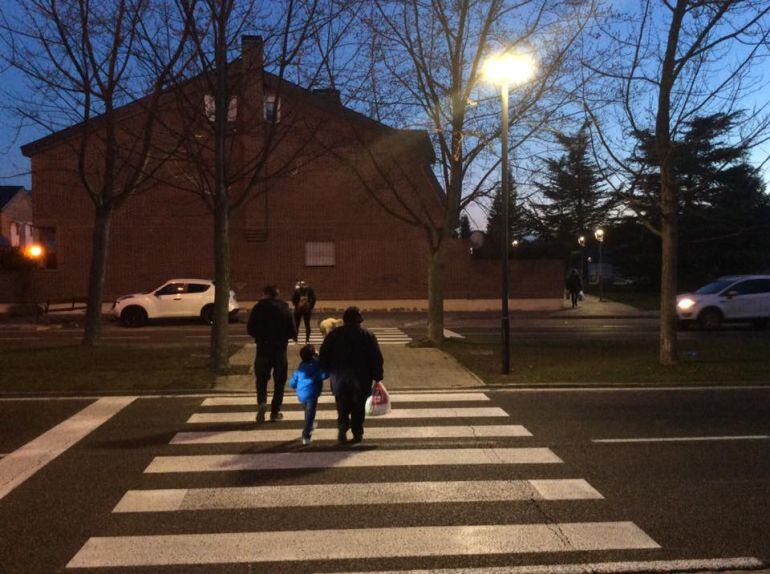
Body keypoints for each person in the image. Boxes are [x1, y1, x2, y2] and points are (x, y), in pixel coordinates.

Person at [319, 306, 383, 444]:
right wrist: (377, 376)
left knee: (342, 403)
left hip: (339, 375)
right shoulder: (368, 336)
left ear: (344, 320)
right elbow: (376, 357)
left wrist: (326, 369)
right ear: (359, 321)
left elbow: (324, 354)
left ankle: (343, 425)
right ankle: (357, 431)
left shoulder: (334, 335)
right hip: (361, 377)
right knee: (359, 405)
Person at [247, 284, 297, 424]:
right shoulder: (284, 308)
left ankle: (262, 402)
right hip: (280, 350)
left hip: (262, 349)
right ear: (277, 294)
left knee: (261, 380)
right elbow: (292, 330)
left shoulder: (258, 308)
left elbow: (250, 328)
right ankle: (275, 412)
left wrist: (260, 336)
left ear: (265, 293)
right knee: (279, 382)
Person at [289, 344, 328, 445]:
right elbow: (324, 374)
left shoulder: (301, 366)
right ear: (313, 355)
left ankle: (309, 425)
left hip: (301, 394)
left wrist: (294, 385)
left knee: (307, 410)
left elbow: (292, 382)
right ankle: (306, 434)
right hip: (311, 394)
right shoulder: (316, 364)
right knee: (311, 413)